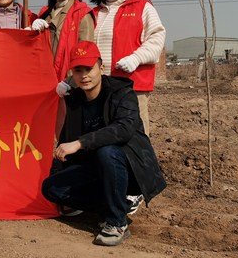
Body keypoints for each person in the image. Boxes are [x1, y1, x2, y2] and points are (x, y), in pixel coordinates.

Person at [41, 41, 166, 247]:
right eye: (78, 70)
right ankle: (117, 204)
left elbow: (123, 129)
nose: (84, 76)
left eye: (89, 69)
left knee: (107, 152)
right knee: (51, 188)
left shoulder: (122, 93)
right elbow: (68, 143)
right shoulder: (74, 101)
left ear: (101, 68)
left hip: (129, 167)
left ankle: (117, 223)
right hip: (96, 168)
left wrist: (80, 143)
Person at [88, 0, 166, 136]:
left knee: (133, 134)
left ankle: (140, 163)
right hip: (100, 86)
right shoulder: (93, 14)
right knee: (102, 133)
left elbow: (156, 38)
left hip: (132, 85)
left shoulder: (142, 7)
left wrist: (135, 58)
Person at [35, 0, 95, 84]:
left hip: (69, 81)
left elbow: (85, 53)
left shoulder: (82, 13)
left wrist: (71, 81)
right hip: (45, 78)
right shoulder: (44, 14)